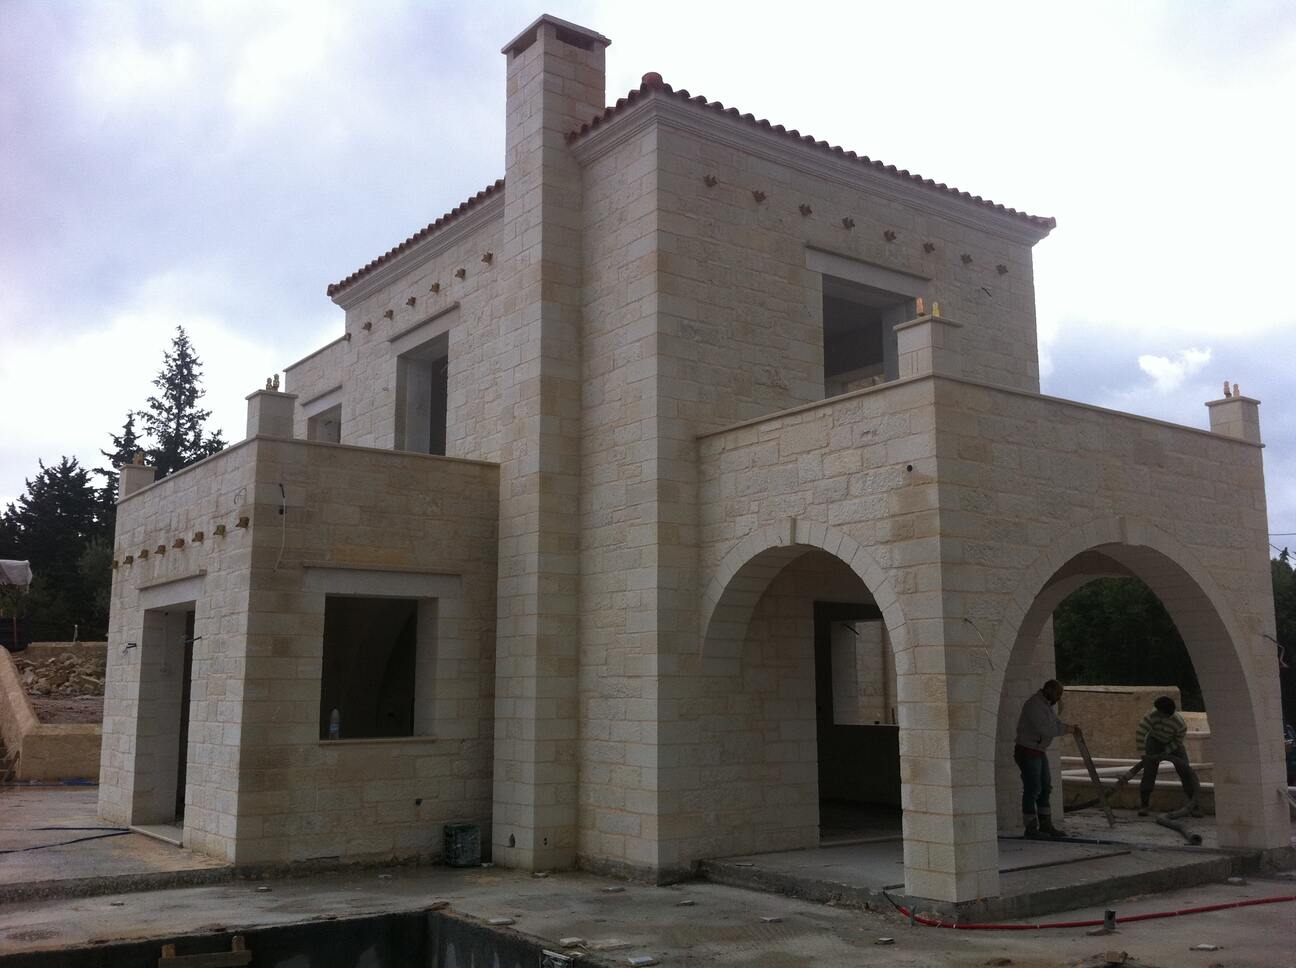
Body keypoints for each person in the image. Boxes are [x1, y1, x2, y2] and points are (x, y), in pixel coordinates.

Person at [1014, 679, 1080, 838]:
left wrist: (1068, 728)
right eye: (1057, 694)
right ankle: (1030, 828)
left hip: (1038, 751)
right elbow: (1046, 729)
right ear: (1049, 690)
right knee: (1033, 788)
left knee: (1045, 787)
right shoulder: (1034, 705)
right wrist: (1068, 729)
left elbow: (1055, 724)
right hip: (1027, 751)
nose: (1058, 698)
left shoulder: (1046, 706)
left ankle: (1045, 825)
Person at [1135, 696, 1200, 816]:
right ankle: (1144, 805)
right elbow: (1140, 732)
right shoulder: (1152, 716)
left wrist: (1167, 752)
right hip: (1154, 741)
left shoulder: (1179, 724)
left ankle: (1194, 805)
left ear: (1165, 713)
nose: (1157, 712)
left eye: (1159, 712)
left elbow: (1178, 740)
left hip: (1173, 743)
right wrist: (1144, 754)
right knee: (1149, 772)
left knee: (1185, 770)